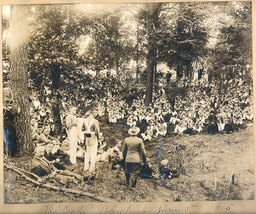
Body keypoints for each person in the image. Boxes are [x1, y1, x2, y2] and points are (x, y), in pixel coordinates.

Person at [83, 106, 100, 173]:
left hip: (87, 137)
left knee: (87, 153)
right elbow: (97, 131)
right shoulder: (95, 121)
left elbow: (83, 130)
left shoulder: (85, 120)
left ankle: (86, 167)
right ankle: (92, 168)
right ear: (93, 112)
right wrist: (98, 138)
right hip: (93, 137)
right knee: (93, 153)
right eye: (96, 112)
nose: (96, 114)